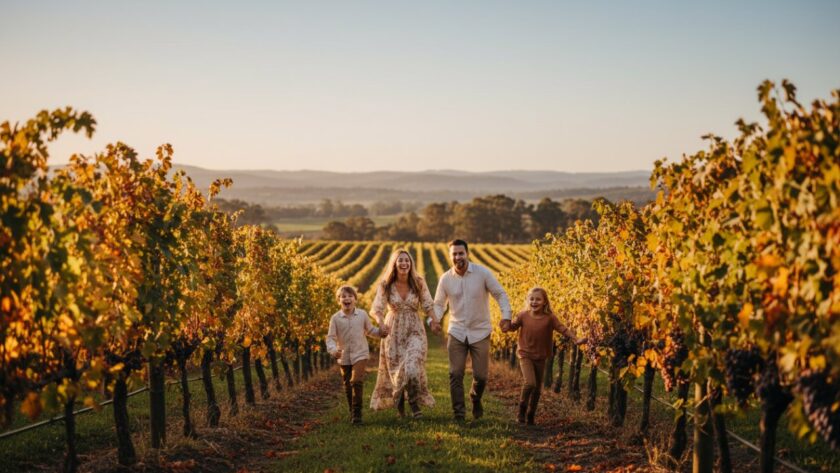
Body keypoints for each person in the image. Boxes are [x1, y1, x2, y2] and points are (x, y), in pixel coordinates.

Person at [430, 239, 512, 421]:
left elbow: (499, 294)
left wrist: (506, 315)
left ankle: (475, 397)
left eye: (461, 253)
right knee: (455, 374)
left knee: (481, 376)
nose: (458, 257)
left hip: (480, 331)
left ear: (467, 253)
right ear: (450, 256)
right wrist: (433, 320)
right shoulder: (445, 278)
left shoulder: (482, 273)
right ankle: (459, 414)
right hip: (457, 331)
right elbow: (438, 304)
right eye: (454, 254)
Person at [502, 287, 585, 424]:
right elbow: (513, 326)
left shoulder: (549, 318)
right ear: (528, 300)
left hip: (541, 356)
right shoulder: (523, 315)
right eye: (532, 299)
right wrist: (506, 327)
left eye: (538, 299)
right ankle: (522, 408)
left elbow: (562, 329)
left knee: (537, 389)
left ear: (545, 302)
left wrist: (576, 339)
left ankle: (531, 414)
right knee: (530, 383)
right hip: (525, 354)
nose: (534, 302)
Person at [370, 249, 437, 418]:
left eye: (407, 261)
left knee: (413, 368)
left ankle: (413, 402)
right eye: (400, 261)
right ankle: (400, 405)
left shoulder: (418, 282)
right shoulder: (385, 285)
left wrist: (435, 321)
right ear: (395, 263)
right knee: (398, 372)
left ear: (411, 264)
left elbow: (428, 304)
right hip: (393, 330)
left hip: (415, 329)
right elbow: (376, 309)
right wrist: (380, 324)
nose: (404, 264)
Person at [326, 285, 388, 424]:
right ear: (339, 300)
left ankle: (357, 414)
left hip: (360, 353)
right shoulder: (335, 318)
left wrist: (381, 332)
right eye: (343, 296)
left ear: (355, 299)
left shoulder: (362, 315)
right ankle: (352, 412)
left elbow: (370, 330)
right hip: (343, 356)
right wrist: (333, 350)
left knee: (356, 381)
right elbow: (330, 338)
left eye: (350, 296)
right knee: (348, 385)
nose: (347, 298)